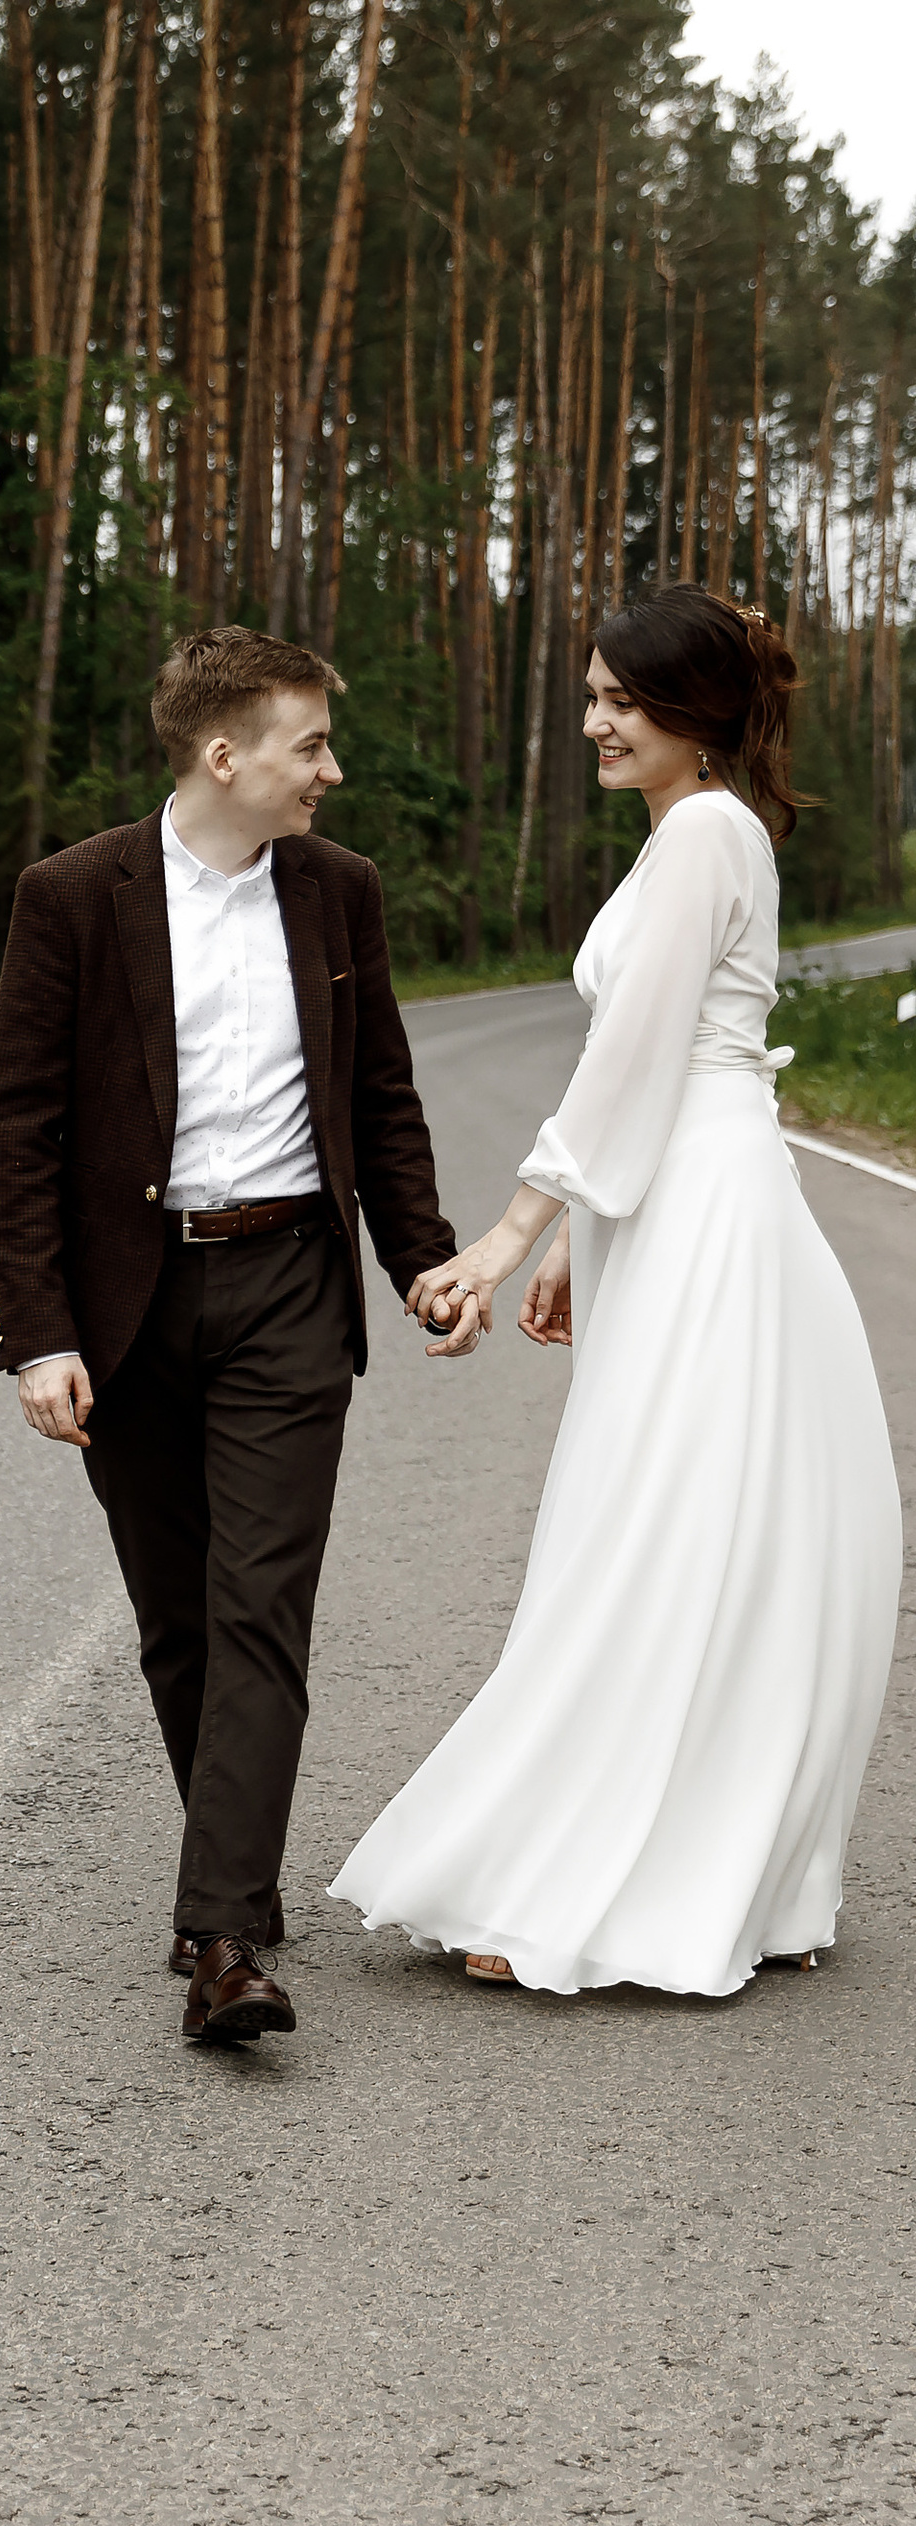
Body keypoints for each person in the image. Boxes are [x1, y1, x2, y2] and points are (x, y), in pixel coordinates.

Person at [331, 585, 902, 1996]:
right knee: (666, 1522)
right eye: (590, 696)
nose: (595, 722)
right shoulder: (695, 837)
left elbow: (644, 1050)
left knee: (660, 1525)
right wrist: (593, 1236)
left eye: (621, 702)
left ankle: (609, 1876)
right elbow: (664, 1057)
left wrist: (519, 1230)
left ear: (694, 714)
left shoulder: (706, 830)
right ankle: (661, 1860)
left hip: (710, 1213)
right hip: (680, 1199)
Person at [0, 627, 458, 2046]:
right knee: (179, 1624)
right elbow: (20, 1133)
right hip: (131, 1307)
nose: (332, 770)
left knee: (262, 1607)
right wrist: (37, 1333)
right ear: (223, 754)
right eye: (311, 745)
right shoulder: (73, 897)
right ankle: (229, 1879)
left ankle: (227, 1938)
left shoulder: (339, 894)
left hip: (292, 1287)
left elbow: (383, 1097)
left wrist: (423, 1260)